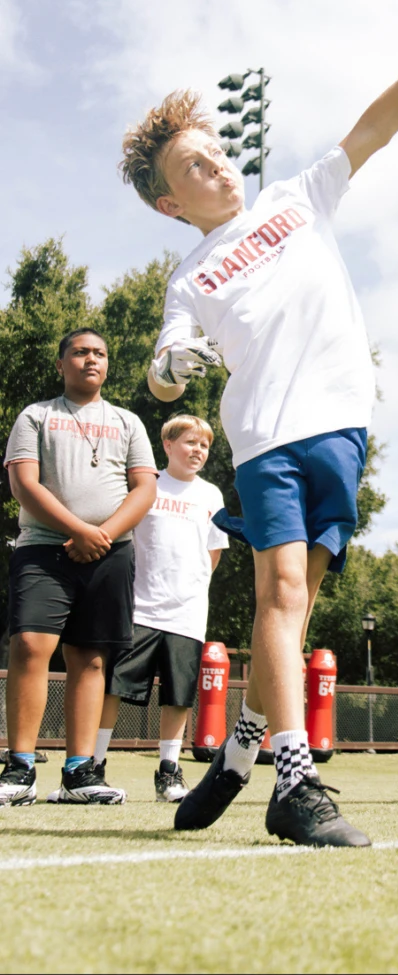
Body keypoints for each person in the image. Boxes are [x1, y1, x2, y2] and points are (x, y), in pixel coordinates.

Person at [120, 36, 398, 846]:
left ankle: (238, 753)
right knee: (281, 596)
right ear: (170, 203)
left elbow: (371, 130)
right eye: (193, 167)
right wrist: (171, 365)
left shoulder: (295, 199)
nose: (218, 167)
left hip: (343, 430)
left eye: (217, 153)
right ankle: (293, 783)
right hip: (267, 438)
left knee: (295, 619)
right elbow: (163, 372)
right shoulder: (190, 277)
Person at [1, 329, 157, 805]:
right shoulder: (36, 416)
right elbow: (24, 484)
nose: (91, 359)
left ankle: (79, 773)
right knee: (30, 645)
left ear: (108, 365)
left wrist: (102, 535)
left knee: (90, 658)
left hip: (110, 553)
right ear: (61, 363)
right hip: (44, 549)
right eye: (80, 351)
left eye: (100, 353)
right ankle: (20, 769)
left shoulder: (128, 422)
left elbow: (145, 490)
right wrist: (79, 530)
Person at [90, 414, 228, 802]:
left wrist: (186, 589)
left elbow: (212, 555)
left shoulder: (212, 495)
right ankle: (93, 765)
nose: (197, 450)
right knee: (113, 688)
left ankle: (168, 773)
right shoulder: (146, 486)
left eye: (203, 445)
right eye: (189, 442)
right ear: (167, 445)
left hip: (187, 615)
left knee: (178, 696)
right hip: (139, 610)